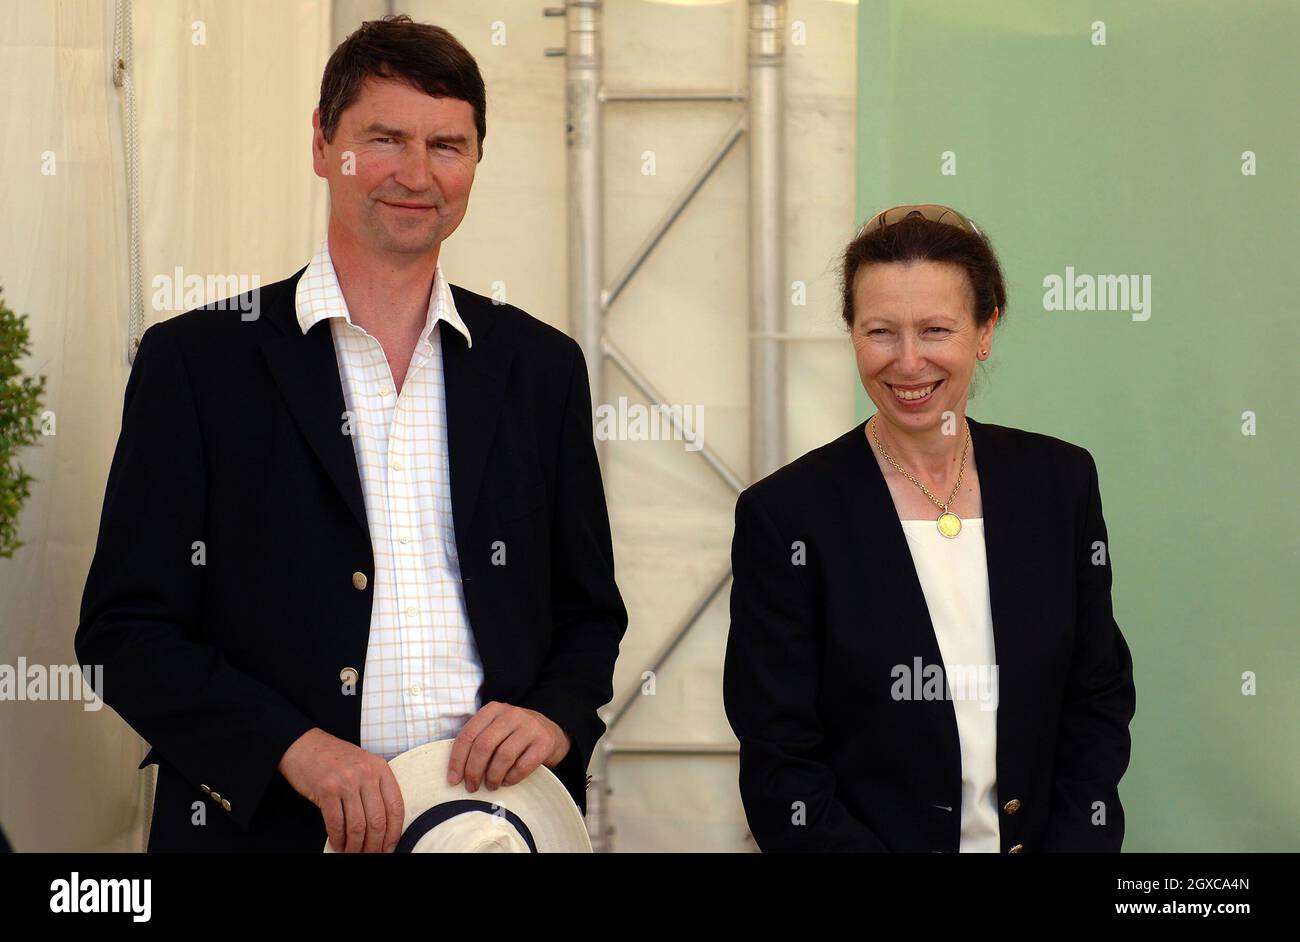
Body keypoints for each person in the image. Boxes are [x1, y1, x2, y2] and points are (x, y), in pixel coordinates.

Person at [76, 15, 627, 853]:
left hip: (494, 831)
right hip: (267, 828)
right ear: (321, 144)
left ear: (476, 160)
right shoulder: (198, 361)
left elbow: (589, 615)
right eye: (383, 138)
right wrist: (292, 749)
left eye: (448, 144)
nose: (416, 173)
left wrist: (553, 716)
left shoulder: (541, 367)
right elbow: (124, 634)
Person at [723, 204, 1136, 853]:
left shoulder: (1059, 482)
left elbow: (1097, 700)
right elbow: (782, 758)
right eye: (881, 331)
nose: (908, 362)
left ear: (985, 330)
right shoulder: (787, 514)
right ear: (851, 332)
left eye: (936, 329)